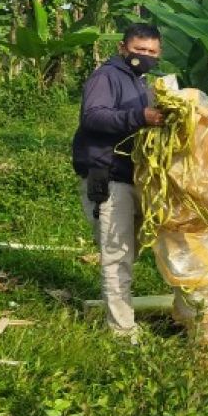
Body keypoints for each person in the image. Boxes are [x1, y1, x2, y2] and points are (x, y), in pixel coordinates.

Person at [72, 23, 165, 338]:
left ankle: (118, 307)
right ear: (123, 48)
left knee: (132, 249)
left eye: (152, 52)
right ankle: (122, 331)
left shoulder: (140, 82)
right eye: (140, 50)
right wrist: (140, 117)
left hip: (134, 176)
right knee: (117, 253)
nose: (146, 56)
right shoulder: (107, 76)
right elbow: (93, 116)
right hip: (107, 174)